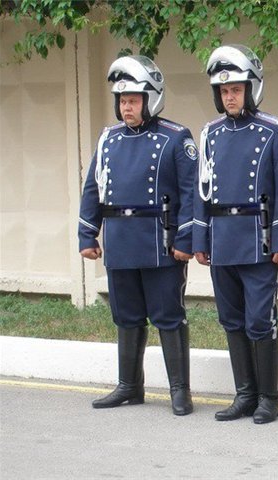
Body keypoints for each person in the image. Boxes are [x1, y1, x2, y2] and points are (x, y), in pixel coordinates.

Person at [78, 55, 198, 415]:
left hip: (160, 244)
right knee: (126, 316)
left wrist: (185, 239)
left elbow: (191, 193)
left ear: (151, 100)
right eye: (122, 100)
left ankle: (180, 391)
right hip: (119, 242)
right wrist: (87, 234)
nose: (126, 107)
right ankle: (129, 386)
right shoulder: (108, 139)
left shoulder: (176, 138)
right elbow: (93, 189)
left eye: (133, 100)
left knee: (168, 316)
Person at [192, 45, 278, 424]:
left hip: (259, 241)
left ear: (251, 89)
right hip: (222, 240)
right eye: (224, 91)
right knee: (231, 320)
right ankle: (245, 394)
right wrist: (200, 239)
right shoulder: (210, 133)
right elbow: (201, 191)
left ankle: (269, 398)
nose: (230, 97)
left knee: (259, 321)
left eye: (236, 89)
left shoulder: (276, 130)